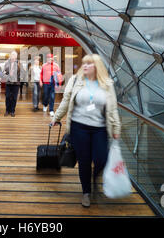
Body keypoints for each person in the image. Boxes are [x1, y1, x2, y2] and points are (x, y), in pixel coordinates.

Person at [50, 54, 121, 208]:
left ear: (97, 66)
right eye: (84, 63)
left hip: (100, 128)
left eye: (89, 63)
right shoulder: (76, 80)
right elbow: (67, 100)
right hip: (79, 127)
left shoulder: (107, 84)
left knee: (101, 159)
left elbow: (113, 107)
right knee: (84, 161)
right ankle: (86, 192)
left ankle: (95, 179)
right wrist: (56, 117)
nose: (85, 66)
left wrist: (116, 127)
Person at [3, 51, 25, 117]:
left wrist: (20, 78)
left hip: (16, 83)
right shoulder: (7, 62)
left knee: (14, 97)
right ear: (10, 56)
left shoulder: (19, 63)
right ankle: (7, 110)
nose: (13, 56)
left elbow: (23, 72)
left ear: (16, 56)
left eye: (14, 55)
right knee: (7, 97)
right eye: (12, 55)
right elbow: (4, 71)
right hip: (8, 82)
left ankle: (12, 111)